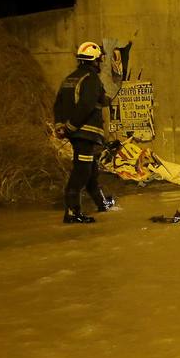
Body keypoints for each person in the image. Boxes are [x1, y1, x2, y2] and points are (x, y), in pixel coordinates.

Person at [52, 41, 116, 224]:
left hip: (79, 134)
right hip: (85, 134)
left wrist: (61, 127)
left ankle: (102, 203)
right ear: (95, 60)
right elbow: (87, 104)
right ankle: (72, 212)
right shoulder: (91, 79)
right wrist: (72, 126)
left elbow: (58, 104)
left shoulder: (70, 79)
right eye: (100, 60)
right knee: (82, 172)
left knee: (91, 170)